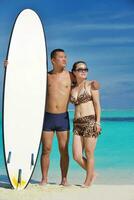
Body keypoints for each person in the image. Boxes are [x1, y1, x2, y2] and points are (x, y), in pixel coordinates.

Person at [40, 49, 75, 186]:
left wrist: (95, 85)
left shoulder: (71, 76)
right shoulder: (45, 76)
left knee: (63, 149)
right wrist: (10, 67)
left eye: (65, 57)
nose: (65, 60)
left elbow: (84, 83)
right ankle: (44, 179)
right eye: (61, 57)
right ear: (53, 60)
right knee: (46, 149)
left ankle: (64, 179)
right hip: (47, 117)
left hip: (63, 118)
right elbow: (26, 78)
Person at [70, 61, 101, 187]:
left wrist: (98, 122)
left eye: (85, 69)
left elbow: (97, 105)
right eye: (80, 69)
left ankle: (88, 181)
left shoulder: (91, 85)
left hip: (90, 121)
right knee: (77, 156)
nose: (84, 71)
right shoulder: (72, 88)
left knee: (89, 153)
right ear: (74, 72)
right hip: (77, 124)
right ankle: (92, 173)